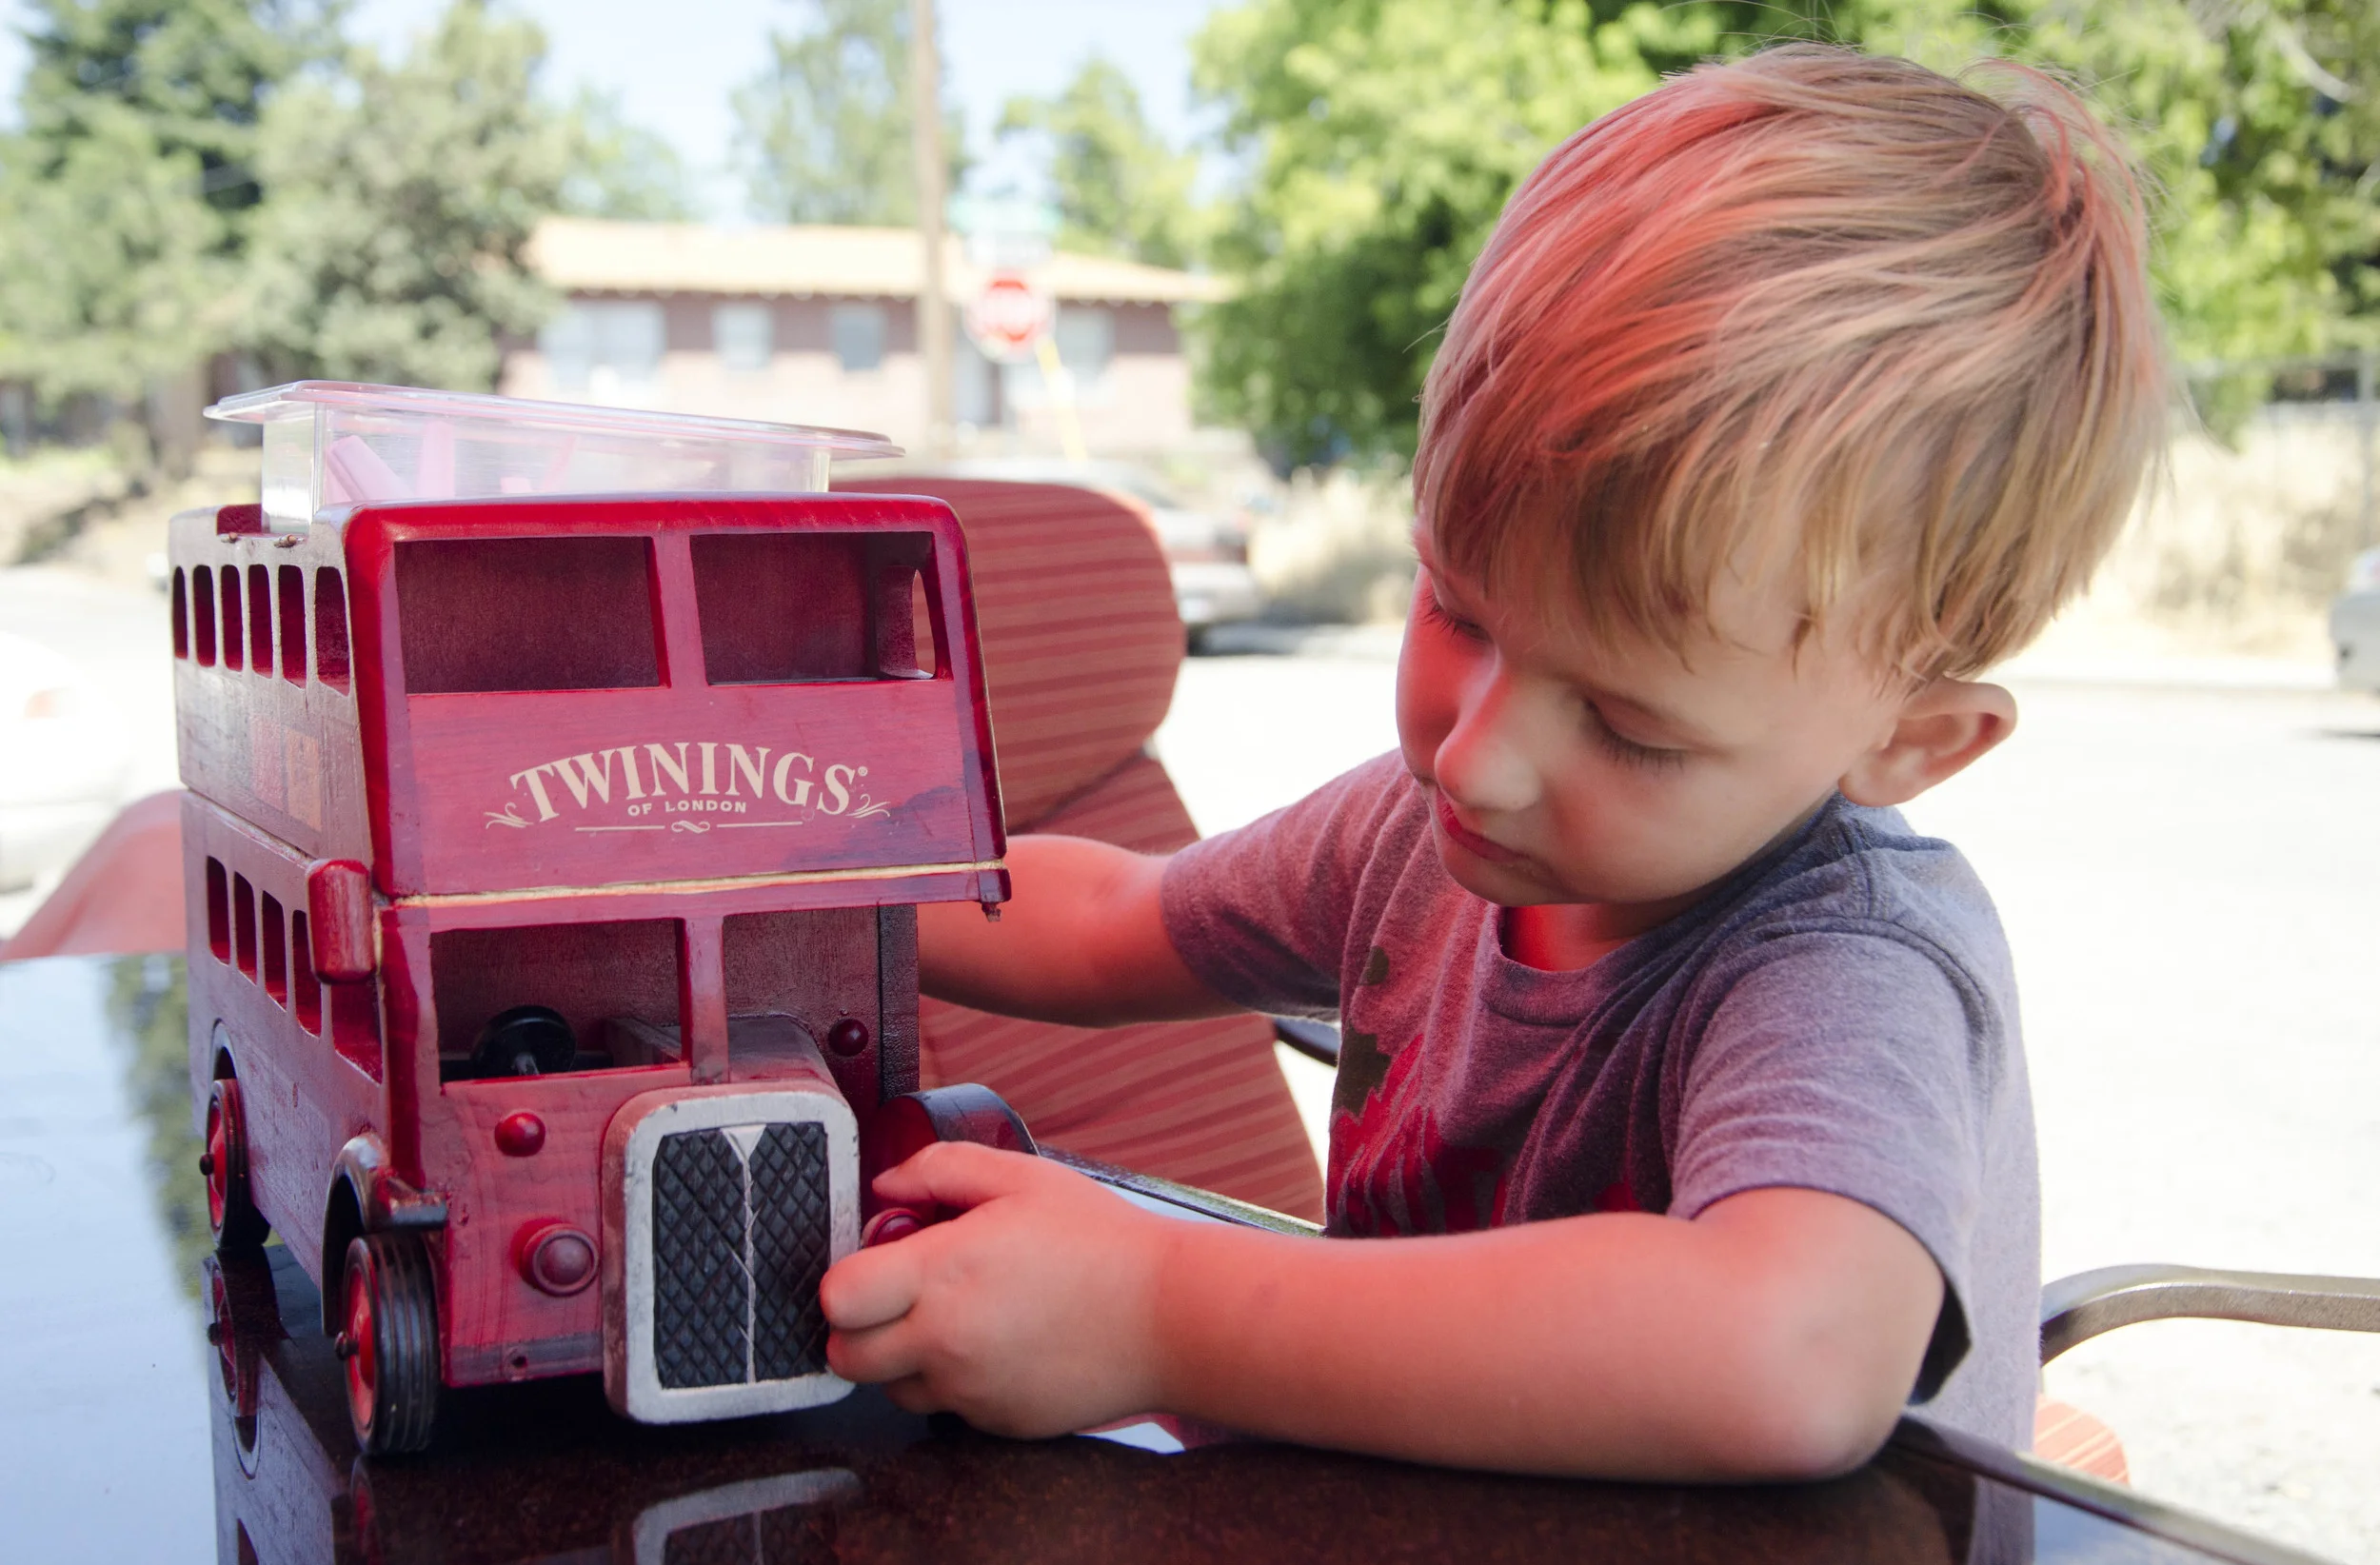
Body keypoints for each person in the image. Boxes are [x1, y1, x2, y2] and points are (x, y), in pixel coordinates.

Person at [821, 44, 2167, 1479]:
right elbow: (1109, 921)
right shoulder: (1418, 839)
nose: (1479, 757)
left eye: (1630, 727)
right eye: (1456, 607)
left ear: (1910, 742)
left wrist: (1156, 1308)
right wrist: (784, 890)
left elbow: (1789, 1354)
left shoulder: (1847, 964)